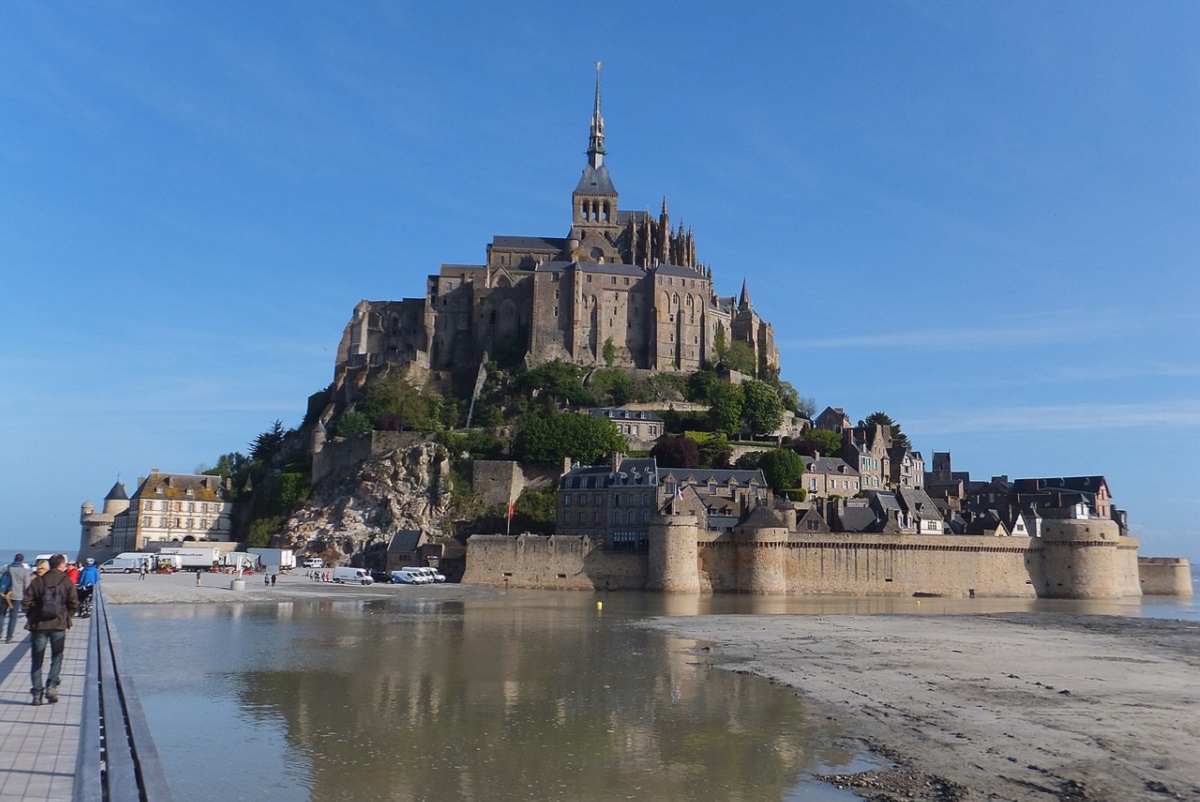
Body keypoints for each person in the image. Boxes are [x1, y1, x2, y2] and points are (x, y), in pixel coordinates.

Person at [23, 553, 79, 705]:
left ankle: (37, 694)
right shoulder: (66, 581)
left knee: (37, 659)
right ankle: (52, 686)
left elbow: (26, 601)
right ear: (62, 565)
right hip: (58, 625)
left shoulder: (38, 581)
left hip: (39, 626)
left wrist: (32, 616)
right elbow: (74, 603)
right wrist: (67, 617)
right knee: (57, 656)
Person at [1, 553, 32, 644]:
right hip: (17, 596)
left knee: (1, 614)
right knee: (13, 616)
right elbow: (27, 585)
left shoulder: (6, 568)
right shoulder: (24, 571)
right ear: (22, 560)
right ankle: (9, 637)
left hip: (4, 595)